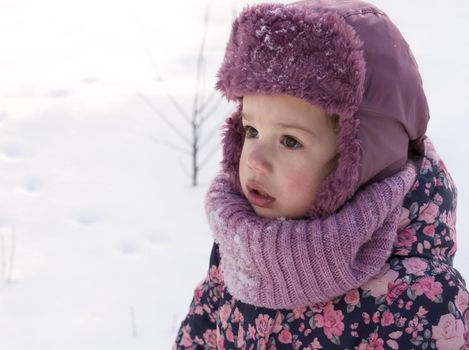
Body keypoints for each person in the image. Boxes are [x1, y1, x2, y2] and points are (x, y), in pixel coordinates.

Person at [173, 1, 468, 348]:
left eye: (290, 141)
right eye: (251, 130)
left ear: (358, 161)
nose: (255, 160)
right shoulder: (243, 245)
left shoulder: (420, 302)